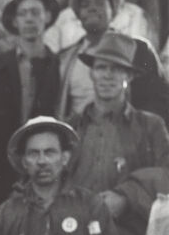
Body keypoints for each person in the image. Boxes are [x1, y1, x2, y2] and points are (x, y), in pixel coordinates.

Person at [0, 0, 61, 210]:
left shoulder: (59, 66)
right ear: (14, 21)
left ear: (48, 16)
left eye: (36, 12)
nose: (30, 20)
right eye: (23, 14)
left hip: (45, 164)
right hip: (3, 168)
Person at [55, 0, 169, 121]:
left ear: (114, 10)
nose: (92, 8)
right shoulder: (65, 59)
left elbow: (159, 104)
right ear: (77, 14)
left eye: (100, 2)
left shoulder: (139, 50)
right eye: (85, 4)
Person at [68, 32, 169, 201]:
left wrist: (126, 198)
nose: (107, 75)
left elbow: (166, 174)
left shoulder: (150, 126)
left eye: (116, 68)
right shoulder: (72, 126)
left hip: (127, 223)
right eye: (101, 67)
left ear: (129, 76)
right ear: (91, 73)